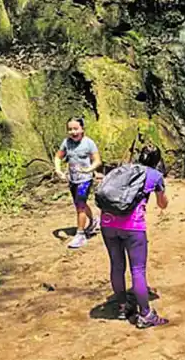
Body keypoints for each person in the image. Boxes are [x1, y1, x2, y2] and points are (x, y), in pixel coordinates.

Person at [100, 144, 169, 329]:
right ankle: (145, 314)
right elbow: (162, 204)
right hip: (132, 227)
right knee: (138, 270)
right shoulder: (155, 175)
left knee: (116, 265)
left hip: (107, 222)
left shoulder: (123, 169)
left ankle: (123, 307)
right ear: (157, 161)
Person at [54, 117, 103, 249]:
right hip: (73, 180)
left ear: (82, 129)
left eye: (76, 129)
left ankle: (80, 235)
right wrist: (58, 170)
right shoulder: (66, 142)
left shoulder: (89, 143)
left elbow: (97, 161)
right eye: (70, 129)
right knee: (80, 204)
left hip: (85, 180)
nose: (73, 132)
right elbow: (58, 156)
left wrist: (89, 169)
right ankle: (94, 221)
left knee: (80, 205)